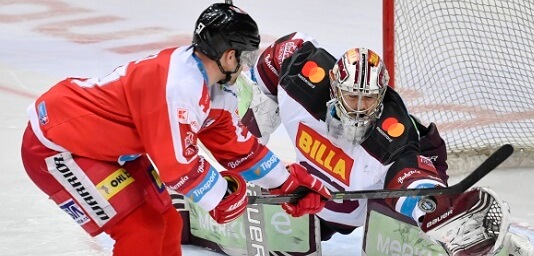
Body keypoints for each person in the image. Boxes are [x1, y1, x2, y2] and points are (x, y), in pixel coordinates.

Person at [19, 5, 330, 256]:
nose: (247, 66)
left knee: (165, 220)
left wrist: (287, 182)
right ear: (228, 55)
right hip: (57, 147)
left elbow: (238, 147)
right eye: (245, 56)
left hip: (108, 149)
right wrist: (220, 196)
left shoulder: (214, 87)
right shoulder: (179, 86)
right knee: (138, 229)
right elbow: (177, 166)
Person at [234, 32, 534, 255]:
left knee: (425, 222)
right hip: (329, 190)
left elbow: (409, 174)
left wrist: (430, 207)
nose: (360, 106)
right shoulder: (304, 78)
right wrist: (241, 147)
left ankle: (503, 247)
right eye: (353, 96)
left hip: (385, 178)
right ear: (334, 89)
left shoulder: (391, 136)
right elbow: (278, 56)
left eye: (370, 98)